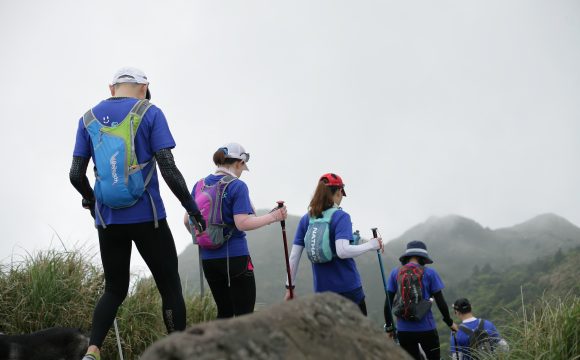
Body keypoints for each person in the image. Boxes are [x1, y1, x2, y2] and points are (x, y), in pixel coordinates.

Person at [70, 67, 205, 360]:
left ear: (112, 88)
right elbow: (168, 168)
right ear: (144, 87)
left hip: (108, 220)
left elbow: (75, 174)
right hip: (148, 217)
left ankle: (92, 351)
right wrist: (191, 207)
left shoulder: (87, 119)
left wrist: (91, 201)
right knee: (169, 287)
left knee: (114, 290)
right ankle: (177, 352)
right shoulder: (150, 112)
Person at [184, 142, 287, 319]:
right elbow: (242, 223)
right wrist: (274, 217)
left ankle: (218, 346)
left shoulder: (199, 185)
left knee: (224, 312)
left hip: (209, 260)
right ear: (238, 163)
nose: (241, 172)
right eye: (242, 167)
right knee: (244, 316)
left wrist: (206, 238)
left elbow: (187, 220)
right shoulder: (237, 186)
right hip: (236, 257)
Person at [284, 173, 383, 315]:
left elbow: (294, 256)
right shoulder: (341, 216)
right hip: (349, 290)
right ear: (338, 192)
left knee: (331, 336)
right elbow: (342, 251)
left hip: (322, 292)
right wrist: (372, 245)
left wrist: (290, 288)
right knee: (357, 335)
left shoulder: (307, 219)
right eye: (342, 194)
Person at [384, 240, 458, 360]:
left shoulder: (395, 273)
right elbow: (441, 302)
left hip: (403, 330)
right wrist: (450, 323)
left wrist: (389, 328)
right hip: (427, 329)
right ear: (423, 257)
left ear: (407, 257)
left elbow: (388, 303)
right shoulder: (430, 273)